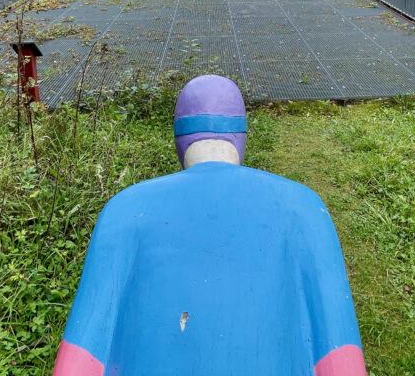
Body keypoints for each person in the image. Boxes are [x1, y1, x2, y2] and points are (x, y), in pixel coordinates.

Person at [52, 74, 367, 376]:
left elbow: (83, 349)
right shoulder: (305, 208)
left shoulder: (124, 210)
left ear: (179, 139)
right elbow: (339, 350)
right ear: (240, 136)